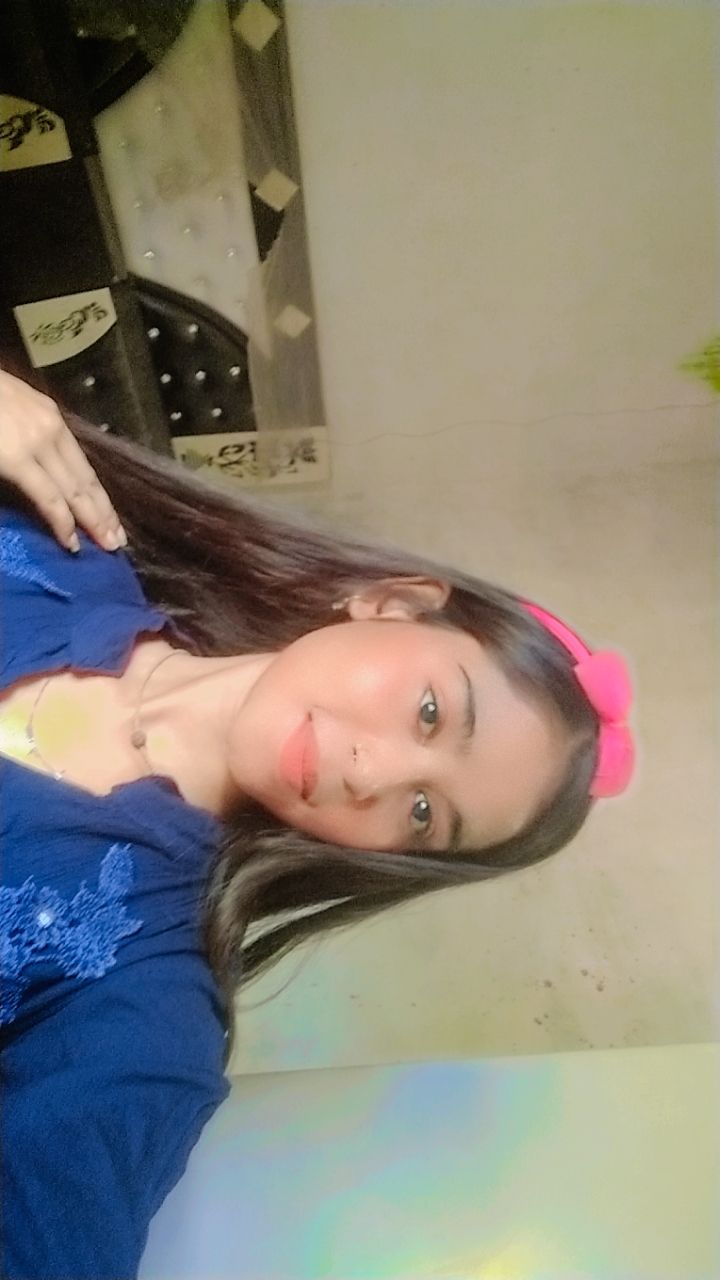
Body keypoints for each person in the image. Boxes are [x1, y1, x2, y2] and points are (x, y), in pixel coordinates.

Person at [0, 367, 635, 1279]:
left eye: (424, 813)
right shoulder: (62, 532)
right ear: (392, 604)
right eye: (429, 712)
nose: (373, 773)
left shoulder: (144, 1001)